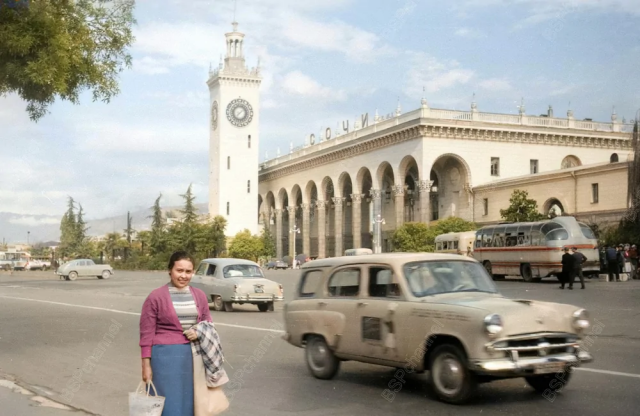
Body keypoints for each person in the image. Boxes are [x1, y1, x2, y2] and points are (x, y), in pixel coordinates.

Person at [139, 251, 213, 416]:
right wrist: (146, 365)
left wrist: (198, 331)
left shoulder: (199, 296)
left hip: (193, 358)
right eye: (179, 270)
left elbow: (208, 322)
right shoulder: (155, 297)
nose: (183, 276)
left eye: (188, 271)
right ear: (170, 270)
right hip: (165, 360)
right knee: (168, 406)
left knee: (191, 404)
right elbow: (146, 334)